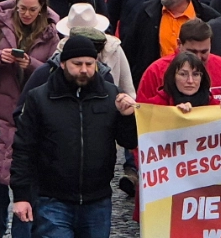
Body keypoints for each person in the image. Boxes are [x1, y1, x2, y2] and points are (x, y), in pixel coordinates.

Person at [10, 35, 138, 238]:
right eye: (77, 64)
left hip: (97, 200)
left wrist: (127, 118)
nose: (84, 69)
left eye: (90, 63)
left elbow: (129, 142)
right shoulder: (39, 98)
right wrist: (21, 196)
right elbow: (24, 149)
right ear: (62, 63)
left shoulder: (110, 95)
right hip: (52, 199)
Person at [0, 0, 62, 238]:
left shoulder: (51, 34)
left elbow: (55, 71)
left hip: (32, 114)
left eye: (32, 10)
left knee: (27, 179)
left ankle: (21, 232)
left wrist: (32, 65)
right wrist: (0, 57)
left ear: (42, 10)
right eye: (22, 8)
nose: (26, 14)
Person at [120, 0, 218, 79]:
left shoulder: (208, 17)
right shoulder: (146, 12)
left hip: (193, 83)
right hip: (155, 82)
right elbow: (129, 50)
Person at [135, 18, 221, 104]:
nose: (198, 58)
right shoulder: (156, 71)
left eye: (204, 51)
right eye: (192, 52)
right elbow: (143, 112)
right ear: (179, 44)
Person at [140, 50, 221, 113]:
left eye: (195, 74)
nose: (190, 81)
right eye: (183, 74)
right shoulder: (155, 106)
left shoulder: (215, 106)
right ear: (173, 76)